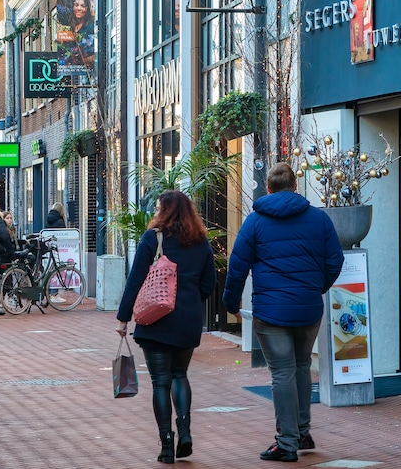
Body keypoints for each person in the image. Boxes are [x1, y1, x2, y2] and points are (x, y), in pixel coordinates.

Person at [223, 162, 345, 462]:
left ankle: (287, 443)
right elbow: (335, 260)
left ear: (268, 188)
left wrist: (230, 304)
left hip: (271, 312)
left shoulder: (255, 222)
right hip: (308, 308)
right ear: (295, 186)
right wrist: (316, 287)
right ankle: (302, 432)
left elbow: (237, 267)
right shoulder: (319, 219)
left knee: (282, 372)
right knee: (302, 366)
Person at [116, 191, 217, 464]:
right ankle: (185, 431)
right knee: (180, 375)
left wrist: (123, 318)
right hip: (187, 321)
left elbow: (135, 280)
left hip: (156, 321)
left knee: (161, 382)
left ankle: (166, 444)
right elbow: (209, 283)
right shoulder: (200, 241)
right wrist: (190, 301)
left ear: (164, 211)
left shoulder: (153, 238)